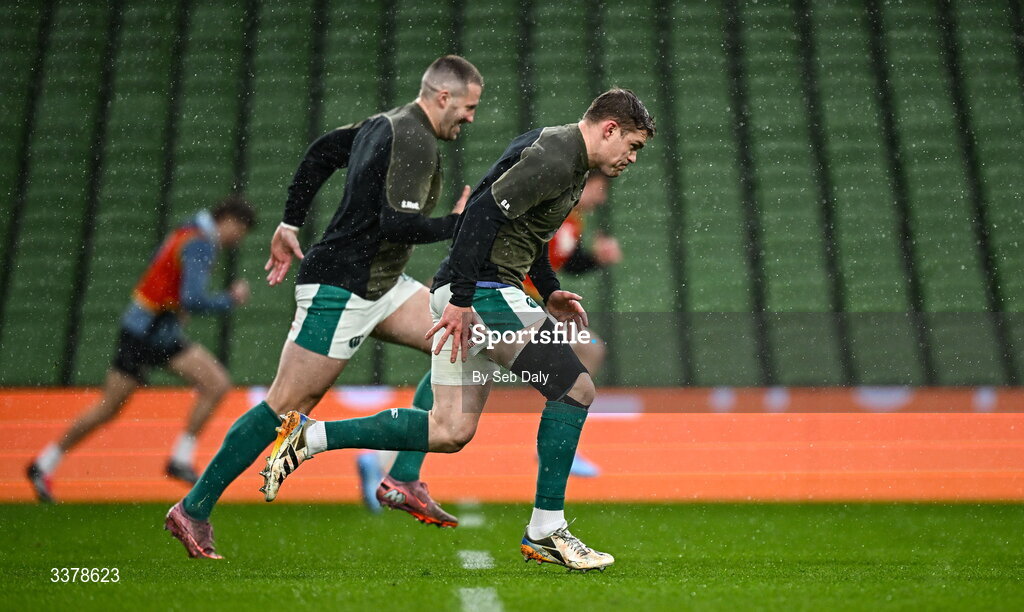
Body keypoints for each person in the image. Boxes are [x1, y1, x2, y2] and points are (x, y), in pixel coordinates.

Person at [263, 88, 655, 572]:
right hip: (484, 292)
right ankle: (546, 529)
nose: (632, 157)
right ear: (609, 128)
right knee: (575, 388)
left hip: (477, 290)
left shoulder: (563, 155)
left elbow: (526, 229)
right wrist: (464, 299)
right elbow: (483, 212)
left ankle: (310, 437)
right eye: (633, 145)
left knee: (449, 431)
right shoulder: (557, 157)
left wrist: (549, 288)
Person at [164, 55, 483, 559]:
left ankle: (401, 478)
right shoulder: (416, 140)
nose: (470, 118)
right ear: (443, 97)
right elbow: (393, 225)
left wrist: (290, 222)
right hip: (342, 288)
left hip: (381, 284)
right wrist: (455, 224)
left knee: (464, 339)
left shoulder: (384, 123)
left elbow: (320, 153)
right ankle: (193, 509)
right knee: (284, 409)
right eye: (467, 107)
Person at [26, 197, 256, 503]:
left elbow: (161, 273)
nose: (237, 239)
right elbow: (194, 299)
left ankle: (44, 464)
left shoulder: (184, 231)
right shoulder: (200, 243)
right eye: (240, 231)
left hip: (144, 328)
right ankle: (179, 459)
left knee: (111, 407)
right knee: (212, 384)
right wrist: (231, 299)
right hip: (152, 332)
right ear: (229, 220)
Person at [524, 172, 622, 478]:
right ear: (583, 185)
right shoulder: (555, 212)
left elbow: (567, 261)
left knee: (590, 350)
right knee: (590, 351)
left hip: (531, 306)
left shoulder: (573, 219)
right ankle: (557, 441)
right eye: (599, 189)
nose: (602, 197)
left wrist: (596, 258)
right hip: (517, 303)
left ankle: (557, 441)